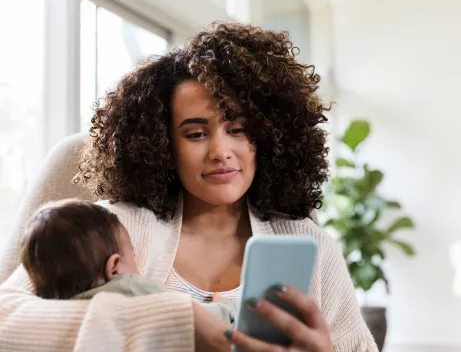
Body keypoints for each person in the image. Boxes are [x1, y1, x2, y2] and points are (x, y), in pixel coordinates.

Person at [0, 22, 378, 351]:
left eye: (238, 129)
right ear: (163, 145)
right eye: (196, 133)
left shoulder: (310, 247)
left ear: (265, 136)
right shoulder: (113, 228)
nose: (220, 152)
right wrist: (169, 324)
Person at [19, 199, 235, 325]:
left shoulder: (54, 306)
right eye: (131, 254)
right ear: (114, 267)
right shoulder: (130, 289)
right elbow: (188, 317)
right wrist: (223, 308)